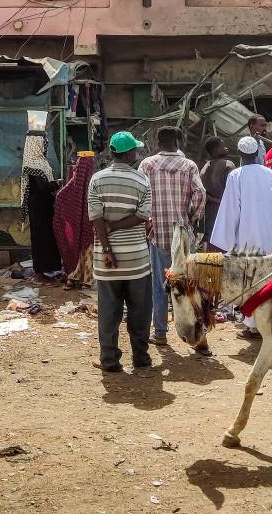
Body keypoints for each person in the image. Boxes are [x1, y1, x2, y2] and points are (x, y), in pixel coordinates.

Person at [88, 132, 152, 373]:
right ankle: (141, 358)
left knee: (108, 312)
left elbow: (96, 218)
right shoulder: (142, 180)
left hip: (106, 262)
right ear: (128, 154)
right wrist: (117, 226)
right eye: (135, 150)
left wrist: (107, 248)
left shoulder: (97, 179)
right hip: (137, 260)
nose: (137, 154)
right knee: (140, 311)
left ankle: (109, 360)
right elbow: (143, 216)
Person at [137, 126, 206, 350]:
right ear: (178, 140)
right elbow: (199, 194)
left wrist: (147, 219)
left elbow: (139, 195)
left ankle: (160, 333)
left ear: (158, 141)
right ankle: (197, 335)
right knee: (189, 285)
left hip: (157, 234)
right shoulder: (189, 165)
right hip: (182, 235)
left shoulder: (147, 165)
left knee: (158, 286)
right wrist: (191, 217)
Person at [211, 136, 272, 340]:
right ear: (256, 153)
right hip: (267, 229)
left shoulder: (236, 175)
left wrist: (225, 239)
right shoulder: (269, 173)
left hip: (246, 233)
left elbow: (231, 208)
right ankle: (265, 319)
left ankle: (252, 324)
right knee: (267, 274)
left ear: (240, 154)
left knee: (249, 277)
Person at [20, 130, 62, 279]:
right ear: (36, 144)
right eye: (43, 142)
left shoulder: (39, 161)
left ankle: (51, 268)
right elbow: (42, 187)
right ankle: (43, 271)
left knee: (48, 238)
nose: (45, 145)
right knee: (41, 239)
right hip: (39, 208)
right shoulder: (34, 163)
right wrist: (57, 184)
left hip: (43, 207)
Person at [53, 151, 96, 289]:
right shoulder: (94, 183)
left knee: (75, 251)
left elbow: (60, 197)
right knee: (88, 251)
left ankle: (73, 277)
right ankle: (87, 280)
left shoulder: (71, 186)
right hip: (89, 228)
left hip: (73, 230)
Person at [199, 136, 236, 242]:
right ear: (215, 150)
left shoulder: (204, 168)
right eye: (223, 146)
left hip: (210, 213)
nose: (226, 148)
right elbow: (234, 191)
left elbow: (203, 193)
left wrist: (216, 200)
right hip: (225, 212)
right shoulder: (228, 165)